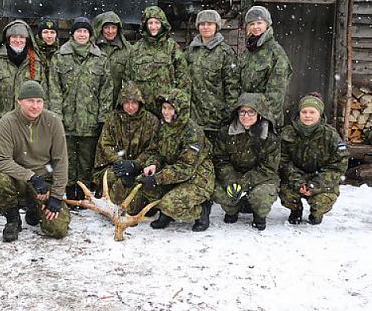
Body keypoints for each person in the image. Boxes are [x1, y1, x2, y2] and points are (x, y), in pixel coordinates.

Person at [0, 80, 70, 242]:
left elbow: (61, 161)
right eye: (30, 101)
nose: (35, 106)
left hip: (43, 185)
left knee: (58, 229)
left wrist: (56, 196)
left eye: (39, 101)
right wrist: (32, 176)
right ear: (19, 101)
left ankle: (34, 209)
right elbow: (2, 161)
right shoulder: (6, 123)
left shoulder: (53, 121)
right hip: (18, 180)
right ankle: (12, 219)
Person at [49, 16, 113, 200]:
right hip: (67, 119)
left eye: (85, 31)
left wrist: (103, 118)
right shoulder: (60, 57)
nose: (82, 34)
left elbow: (106, 91)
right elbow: (54, 88)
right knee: (66, 158)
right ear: (72, 34)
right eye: (79, 31)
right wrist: (56, 116)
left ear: (90, 35)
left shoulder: (100, 58)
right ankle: (69, 191)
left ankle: (83, 193)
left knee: (86, 159)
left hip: (90, 119)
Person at [137, 89, 215, 232]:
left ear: (180, 110)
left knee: (170, 203)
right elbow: (155, 151)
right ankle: (166, 213)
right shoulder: (162, 126)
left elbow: (185, 168)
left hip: (197, 177)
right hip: (172, 172)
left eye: (170, 109)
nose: (166, 112)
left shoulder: (192, 132)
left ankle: (201, 211)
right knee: (142, 184)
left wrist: (158, 178)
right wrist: (152, 164)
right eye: (164, 108)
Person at [212, 93, 280, 230]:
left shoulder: (270, 137)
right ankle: (233, 209)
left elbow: (268, 168)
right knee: (217, 191)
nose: (246, 116)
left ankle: (259, 214)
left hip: (262, 178)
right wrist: (231, 180)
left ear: (259, 114)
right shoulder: (226, 132)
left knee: (261, 197)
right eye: (242, 111)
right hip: (234, 175)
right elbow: (220, 160)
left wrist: (242, 183)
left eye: (251, 112)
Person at [279, 93, 348, 225]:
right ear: (299, 113)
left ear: (320, 114)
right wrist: (299, 182)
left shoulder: (331, 136)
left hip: (321, 179)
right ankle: (295, 210)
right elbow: (283, 161)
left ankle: (316, 213)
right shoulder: (287, 133)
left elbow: (338, 165)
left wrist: (315, 185)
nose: (308, 115)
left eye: (312, 112)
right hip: (296, 177)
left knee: (321, 201)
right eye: (304, 111)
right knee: (286, 193)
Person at [93, 81, 158, 212]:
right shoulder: (112, 119)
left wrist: (135, 164)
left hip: (141, 168)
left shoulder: (151, 121)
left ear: (140, 103)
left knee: (144, 185)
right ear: (121, 103)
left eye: (134, 102)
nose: (130, 107)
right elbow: (105, 144)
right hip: (116, 167)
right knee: (112, 178)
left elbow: (153, 149)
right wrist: (121, 163)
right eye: (126, 103)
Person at [0, 19, 47, 138]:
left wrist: (43, 121)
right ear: (8, 39)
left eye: (21, 37)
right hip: (4, 122)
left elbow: (44, 93)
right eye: (14, 37)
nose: (18, 40)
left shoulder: (36, 62)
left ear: (27, 39)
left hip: (30, 122)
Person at [124, 6, 191, 118]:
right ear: (145, 25)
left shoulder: (172, 47)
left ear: (162, 24)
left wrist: (179, 106)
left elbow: (183, 78)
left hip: (166, 110)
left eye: (157, 23)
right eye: (150, 23)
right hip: (142, 111)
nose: (153, 27)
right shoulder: (136, 49)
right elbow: (128, 79)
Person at [185, 10, 240, 142]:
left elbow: (232, 86)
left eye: (210, 24)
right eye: (202, 24)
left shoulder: (225, 52)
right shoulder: (190, 52)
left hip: (216, 117)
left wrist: (229, 114)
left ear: (216, 26)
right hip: (194, 116)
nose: (205, 27)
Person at [239, 6, 292, 128]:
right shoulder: (249, 51)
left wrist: (263, 117)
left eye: (259, 23)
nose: (256, 27)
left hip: (265, 118)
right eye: (252, 24)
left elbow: (276, 94)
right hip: (246, 116)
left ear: (267, 25)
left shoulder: (275, 52)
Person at [92, 11, 131, 107]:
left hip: (117, 102)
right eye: (106, 28)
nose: (110, 31)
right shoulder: (92, 48)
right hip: (94, 101)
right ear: (101, 29)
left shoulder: (127, 50)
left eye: (113, 28)